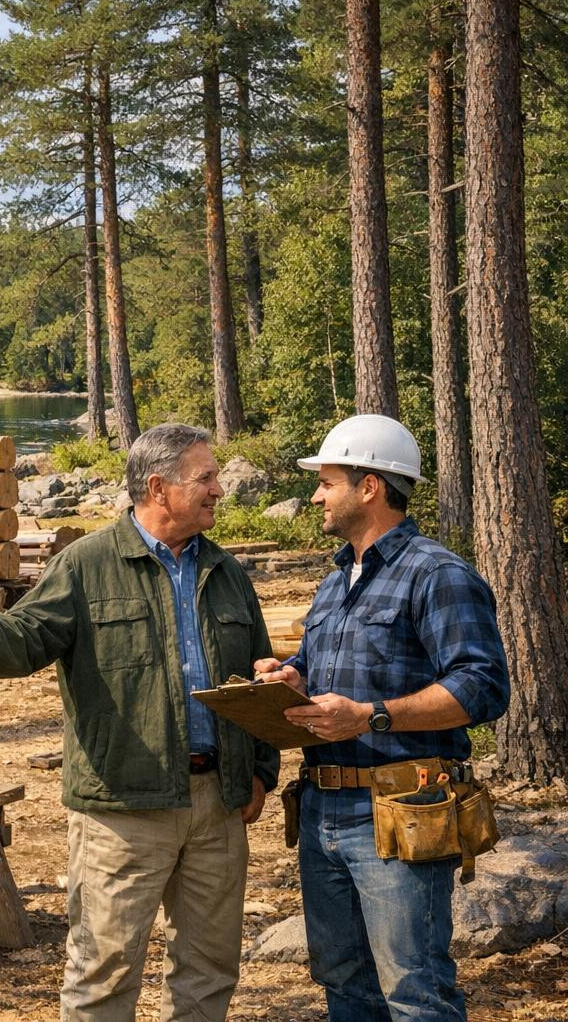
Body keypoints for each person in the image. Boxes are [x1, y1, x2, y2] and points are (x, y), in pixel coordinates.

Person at [0, 423, 279, 1022]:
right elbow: (24, 640)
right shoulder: (86, 564)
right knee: (103, 974)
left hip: (217, 806)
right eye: (206, 477)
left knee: (209, 973)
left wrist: (259, 771)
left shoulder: (226, 573)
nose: (219, 489)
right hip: (122, 810)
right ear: (158, 486)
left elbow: (257, 679)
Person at [254, 414, 509, 1022]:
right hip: (321, 812)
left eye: (327, 480)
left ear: (369, 486)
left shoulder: (438, 574)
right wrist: (292, 677)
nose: (316, 494)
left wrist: (370, 718)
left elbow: (482, 687)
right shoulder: (336, 581)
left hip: (401, 809)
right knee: (343, 982)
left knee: (415, 992)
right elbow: (328, 674)